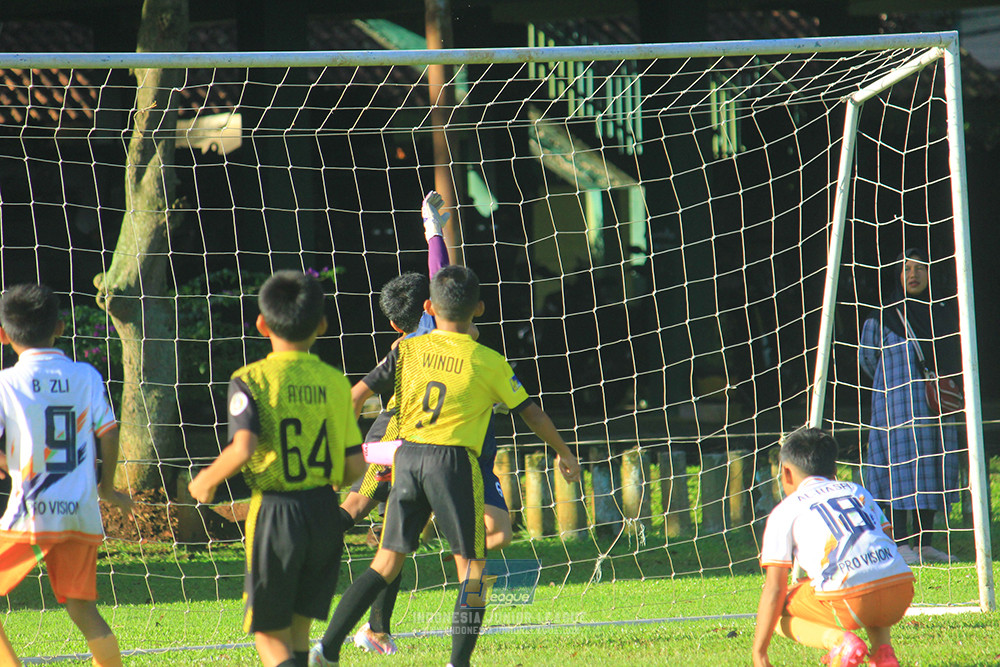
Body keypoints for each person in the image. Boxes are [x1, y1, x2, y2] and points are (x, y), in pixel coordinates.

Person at [311, 264, 581, 667]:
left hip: (407, 458)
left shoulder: (405, 350)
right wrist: (564, 452)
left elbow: (354, 396)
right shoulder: (488, 361)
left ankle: (326, 649)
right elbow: (532, 414)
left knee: (385, 563)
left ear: (429, 308)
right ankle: (458, 662)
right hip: (453, 464)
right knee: (473, 571)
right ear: (480, 308)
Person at [340, 192, 514, 656]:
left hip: (429, 453)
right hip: (412, 444)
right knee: (369, 517)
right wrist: (433, 229)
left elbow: (441, 270)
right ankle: (365, 624)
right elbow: (440, 271)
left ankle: (367, 630)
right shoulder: (432, 341)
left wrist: (433, 228)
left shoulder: (423, 345)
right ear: (432, 307)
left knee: (394, 533)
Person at [188, 270, 366, 667]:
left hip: (276, 513)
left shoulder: (250, 379)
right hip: (324, 512)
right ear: (322, 325)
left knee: (268, 635)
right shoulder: (336, 382)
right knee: (299, 632)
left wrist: (206, 480)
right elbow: (354, 465)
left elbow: (243, 446)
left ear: (261, 324)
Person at [0, 283, 133, 667]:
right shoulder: (86, 375)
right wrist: (106, 488)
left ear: (3, 335)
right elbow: (109, 431)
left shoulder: (7, 382)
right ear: (59, 328)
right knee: (82, 609)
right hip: (79, 512)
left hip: (31, 513)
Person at [753, 427, 914, 667]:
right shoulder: (857, 490)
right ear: (835, 470)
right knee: (870, 568)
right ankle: (883, 654)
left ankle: (839, 643)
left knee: (778, 608)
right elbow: (887, 540)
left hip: (849, 601)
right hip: (900, 592)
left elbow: (775, 588)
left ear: (785, 472)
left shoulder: (785, 511)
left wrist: (759, 653)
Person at [859, 248, 962, 565]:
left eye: (920, 268)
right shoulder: (883, 316)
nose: (913, 274)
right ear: (897, 275)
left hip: (935, 407)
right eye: (906, 268)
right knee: (899, 469)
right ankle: (901, 542)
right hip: (896, 408)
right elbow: (867, 359)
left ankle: (924, 543)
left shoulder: (943, 312)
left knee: (932, 466)